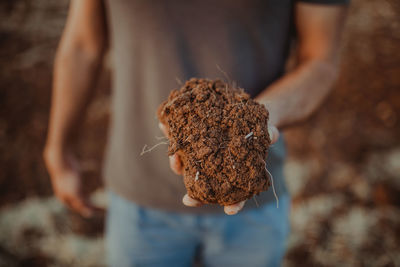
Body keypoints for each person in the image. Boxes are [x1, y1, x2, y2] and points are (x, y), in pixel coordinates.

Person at [43, 0, 349, 266]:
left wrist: (259, 117)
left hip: (253, 198)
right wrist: (58, 146)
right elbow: (83, 43)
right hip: (139, 197)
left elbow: (320, 59)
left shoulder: (253, 130)